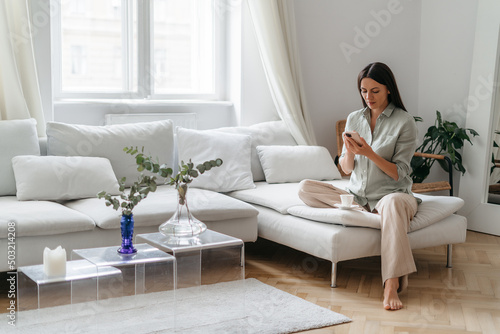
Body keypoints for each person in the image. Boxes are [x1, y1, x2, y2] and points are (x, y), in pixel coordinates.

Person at [298, 62, 419, 310]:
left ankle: (391, 284)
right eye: (364, 91)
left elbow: (401, 173)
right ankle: (368, 212)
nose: (368, 97)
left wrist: (371, 154)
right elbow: (346, 169)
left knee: (394, 203)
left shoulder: (404, 121)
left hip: (392, 195)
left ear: (388, 89)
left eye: (375, 90)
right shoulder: (355, 118)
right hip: (357, 197)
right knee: (305, 188)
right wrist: (351, 153)